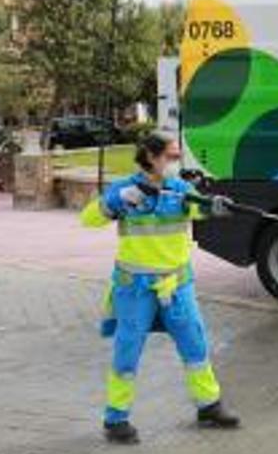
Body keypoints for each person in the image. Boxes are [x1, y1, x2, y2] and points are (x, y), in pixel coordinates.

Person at [80, 133, 239, 444]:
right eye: (171, 156)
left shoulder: (180, 190)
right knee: (127, 351)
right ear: (151, 157)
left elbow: (202, 210)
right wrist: (116, 202)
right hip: (135, 288)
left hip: (177, 285)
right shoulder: (124, 191)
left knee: (195, 345)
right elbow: (88, 219)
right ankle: (116, 419)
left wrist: (217, 206)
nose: (176, 162)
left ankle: (209, 406)